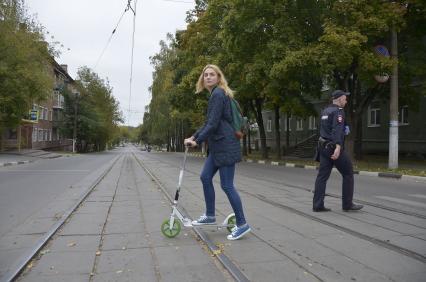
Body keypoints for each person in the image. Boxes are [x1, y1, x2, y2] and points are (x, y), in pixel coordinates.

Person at [184, 64, 251, 240]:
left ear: (219, 77)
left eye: (212, 74)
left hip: (226, 146)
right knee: (205, 177)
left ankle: (242, 224)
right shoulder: (216, 94)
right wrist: (194, 136)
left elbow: (212, 125)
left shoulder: (219, 94)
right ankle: (210, 215)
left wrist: (196, 141)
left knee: (227, 185)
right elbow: (209, 122)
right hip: (218, 147)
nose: (208, 77)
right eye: (205, 75)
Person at [313, 90, 363, 212]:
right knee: (348, 173)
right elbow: (337, 130)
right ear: (340, 99)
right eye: (345, 99)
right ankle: (347, 204)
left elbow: (325, 129)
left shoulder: (325, 110)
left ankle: (317, 205)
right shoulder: (339, 111)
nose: (346, 101)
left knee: (322, 177)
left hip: (323, 147)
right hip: (333, 147)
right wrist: (338, 147)